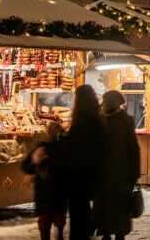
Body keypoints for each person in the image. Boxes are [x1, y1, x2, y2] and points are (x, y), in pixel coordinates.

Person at [57, 85, 106, 240]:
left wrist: (62, 138)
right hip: (92, 173)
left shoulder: (82, 119)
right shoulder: (97, 119)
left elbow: (75, 145)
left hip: (78, 175)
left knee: (78, 214)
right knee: (83, 212)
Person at [94, 91, 141, 240]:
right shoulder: (100, 120)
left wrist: (134, 175)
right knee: (105, 211)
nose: (102, 104)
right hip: (104, 175)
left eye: (105, 101)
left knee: (119, 212)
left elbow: (133, 149)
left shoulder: (124, 121)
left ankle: (118, 235)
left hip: (121, 176)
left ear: (111, 103)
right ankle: (106, 234)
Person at [22, 122, 67, 240]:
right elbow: (26, 165)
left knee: (49, 222)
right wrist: (35, 168)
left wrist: (35, 168)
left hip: (49, 191)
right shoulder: (60, 148)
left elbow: (26, 165)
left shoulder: (44, 148)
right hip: (54, 191)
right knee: (54, 221)